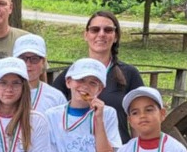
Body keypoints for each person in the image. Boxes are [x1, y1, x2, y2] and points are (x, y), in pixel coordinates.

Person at [52, 11, 144, 142]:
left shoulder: (129, 74)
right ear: (86, 35)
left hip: (117, 150)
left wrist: (138, 151)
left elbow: (139, 122)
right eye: (95, 30)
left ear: (116, 36)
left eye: (108, 30)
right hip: (74, 150)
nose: (101, 34)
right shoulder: (71, 75)